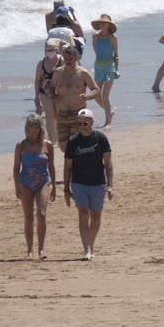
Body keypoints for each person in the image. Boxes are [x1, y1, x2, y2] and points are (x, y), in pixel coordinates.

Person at [63, 109, 113, 261]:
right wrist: (66, 189)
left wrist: (110, 185)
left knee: (96, 218)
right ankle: (87, 250)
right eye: (79, 123)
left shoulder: (100, 138)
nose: (82, 126)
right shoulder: (73, 141)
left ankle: (91, 244)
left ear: (91, 122)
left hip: (98, 183)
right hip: (79, 183)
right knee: (83, 213)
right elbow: (67, 166)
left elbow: (108, 163)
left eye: (85, 122)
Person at [14, 113, 55, 258]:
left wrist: (54, 186)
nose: (34, 130)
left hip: (43, 181)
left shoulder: (47, 145)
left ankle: (41, 249)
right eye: (31, 127)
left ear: (40, 128)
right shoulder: (21, 145)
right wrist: (16, 186)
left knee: (41, 214)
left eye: (36, 127)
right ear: (27, 128)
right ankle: (29, 250)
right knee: (28, 217)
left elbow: (51, 166)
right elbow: (16, 168)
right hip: (25, 182)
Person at [49, 42, 99, 155]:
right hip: (62, 113)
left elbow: (96, 89)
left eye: (70, 59)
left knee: (76, 143)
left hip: (78, 113)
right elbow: (51, 87)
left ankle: (75, 163)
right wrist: (53, 96)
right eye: (66, 58)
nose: (68, 61)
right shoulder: (58, 72)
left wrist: (88, 96)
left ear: (76, 58)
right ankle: (72, 161)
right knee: (63, 146)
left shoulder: (83, 73)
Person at [89, 15, 118, 125]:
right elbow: (96, 51)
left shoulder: (113, 38)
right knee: (96, 95)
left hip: (109, 68)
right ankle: (109, 112)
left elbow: (116, 55)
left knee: (105, 95)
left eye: (105, 23)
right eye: (101, 23)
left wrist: (117, 69)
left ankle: (108, 121)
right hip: (98, 67)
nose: (102, 25)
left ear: (109, 25)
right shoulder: (95, 36)